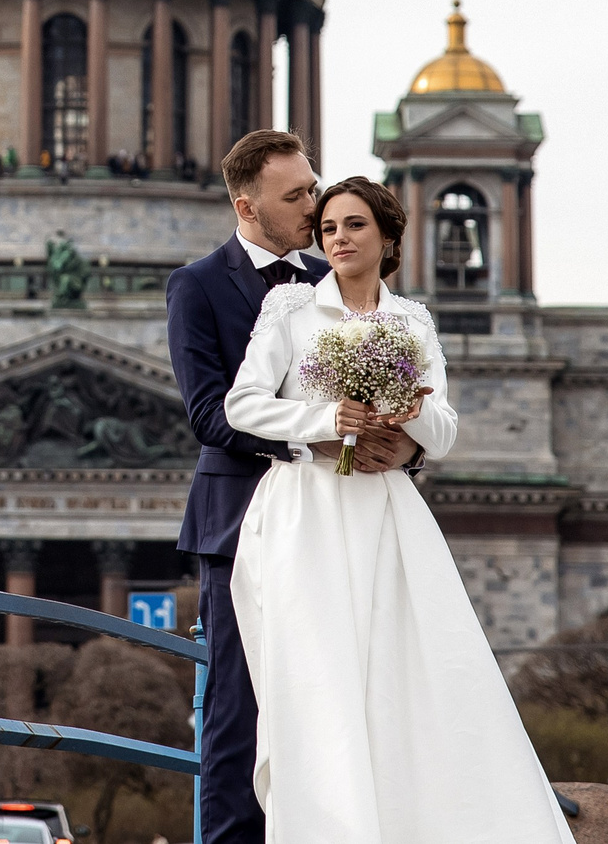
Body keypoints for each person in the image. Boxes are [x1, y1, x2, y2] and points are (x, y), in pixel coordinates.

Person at [224, 176, 571, 842]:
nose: (339, 239)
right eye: (327, 229)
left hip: (385, 509)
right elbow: (242, 406)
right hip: (310, 509)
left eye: (353, 226)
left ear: (387, 236)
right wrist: (332, 418)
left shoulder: (411, 320)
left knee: (407, 673)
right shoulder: (290, 309)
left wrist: (405, 427)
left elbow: (444, 428)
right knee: (321, 678)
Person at [167, 131, 416, 844]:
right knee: (239, 717)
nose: (315, 205)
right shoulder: (197, 285)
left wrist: (397, 442)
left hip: (340, 519)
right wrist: (322, 434)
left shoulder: (334, 280)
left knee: (342, 703)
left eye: (313, 187)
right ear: (247, 206)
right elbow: (209, 413)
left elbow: (397, 384)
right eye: (297, 195)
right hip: (241, 523)